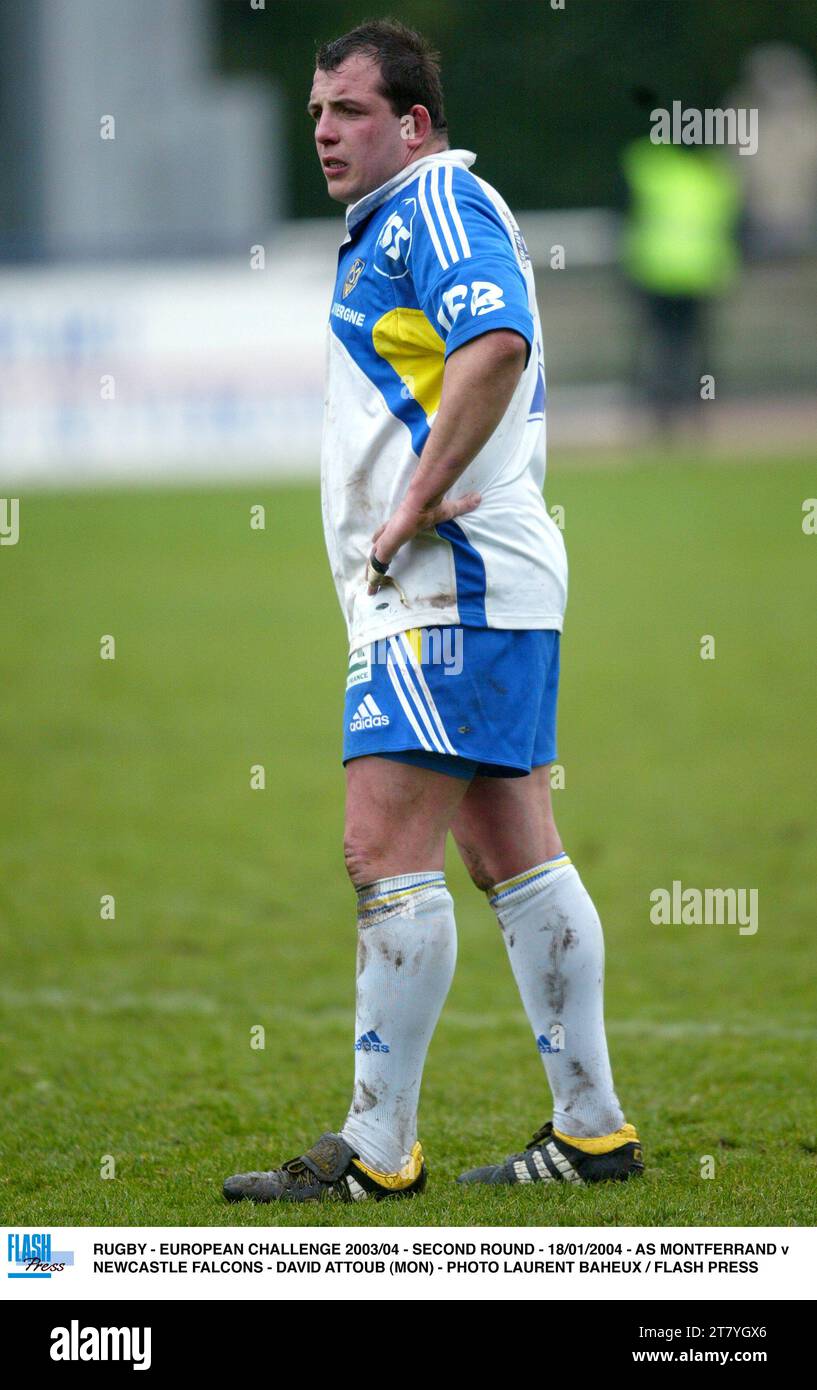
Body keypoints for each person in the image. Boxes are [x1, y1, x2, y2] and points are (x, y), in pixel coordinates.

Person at [223, 19, 643, 1205]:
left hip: (447, 584)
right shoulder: (399, 224)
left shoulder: (436, 208)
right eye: (315, 113)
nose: (323, 131)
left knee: (381, 848)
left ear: (412, 123)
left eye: (348, 111)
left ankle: (376, 1146)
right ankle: (592, 1131)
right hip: (472, 582)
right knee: (511, 848)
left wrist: (411, 498)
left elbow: (494, 340)